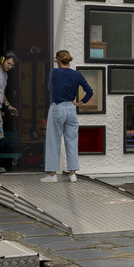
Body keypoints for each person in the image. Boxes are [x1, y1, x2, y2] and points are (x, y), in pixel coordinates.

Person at [41, 49, 93, 182]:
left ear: (58, 61)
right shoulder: (77, 74)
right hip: (71, 108)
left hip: (57, 107)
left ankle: (52, 175)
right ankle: (72, 174)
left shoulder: (54, 72)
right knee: (72, 141)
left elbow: (49, 88)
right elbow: (89, 91)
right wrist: (80, 103)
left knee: (54, 141)